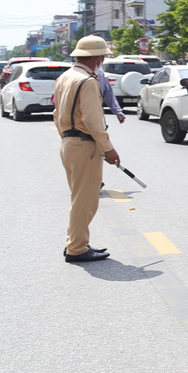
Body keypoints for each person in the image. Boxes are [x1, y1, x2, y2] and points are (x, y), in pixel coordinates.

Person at [54, 36, 121, 263]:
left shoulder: (65, 77)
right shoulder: (87, 81)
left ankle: (75, 242)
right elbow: (93, 121)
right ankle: (77, 248)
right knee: (86, 200)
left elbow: (56, 114)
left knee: (79, 198)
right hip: (83, 144)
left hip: (69, 143)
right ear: (98, 57)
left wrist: (66, 137)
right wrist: (108, 149)